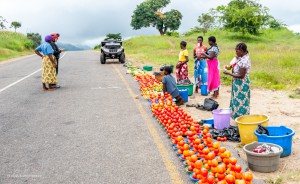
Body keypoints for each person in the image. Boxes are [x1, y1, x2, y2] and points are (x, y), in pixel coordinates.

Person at [223, 42, 251, 119]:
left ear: (242, 50)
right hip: (237, 82)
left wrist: (228, 73)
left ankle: (242, 118)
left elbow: (241, 75)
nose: (236, 52)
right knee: (236, 100)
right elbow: (235, 67)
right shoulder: (240, 58)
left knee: (241, 101)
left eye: (237, 51)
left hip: (242, 83)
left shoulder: (244, 60)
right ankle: (237, 116)